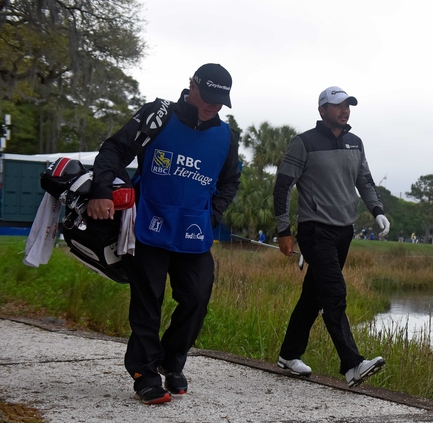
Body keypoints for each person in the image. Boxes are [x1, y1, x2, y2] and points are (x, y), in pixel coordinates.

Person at [87, 63, 241, 405]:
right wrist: (100, 190)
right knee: (148, 301)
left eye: (221, 99)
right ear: (193, 85)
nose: (213, 105)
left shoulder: (226, 136)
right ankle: (144, 372)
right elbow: (113, 149)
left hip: (195, 231)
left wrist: (213, 214)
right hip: (150, 224)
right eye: (209, 96)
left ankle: (171, 362)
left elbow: (231, 180)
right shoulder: (159, 115)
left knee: (197, 298)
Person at [273, 86, 389, 388]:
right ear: (322, 110)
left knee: (313, 295)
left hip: (344, 229)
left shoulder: (355, 143)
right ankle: (352, 364)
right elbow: (283, 186)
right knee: (334, 292)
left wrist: (377, 209)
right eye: (338, 105)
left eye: (348, 105)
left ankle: (288, 354)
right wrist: (283, 229)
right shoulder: (303, 143)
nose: (345, 109)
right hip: (315, 229)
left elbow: (364, 180)